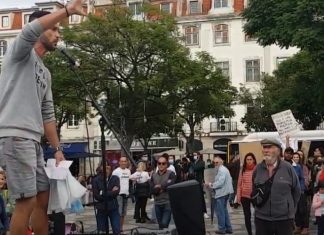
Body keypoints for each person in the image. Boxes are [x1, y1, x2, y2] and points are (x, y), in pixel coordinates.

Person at [0, 2, 85, 234]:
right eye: (54, 29)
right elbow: (29, 31)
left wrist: (57, 149)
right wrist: (67, 11)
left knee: (42, 199)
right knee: (25, 200)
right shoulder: (19, 53)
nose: (58, 35)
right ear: (40, 29)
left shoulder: (45, 72)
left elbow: (48, 114)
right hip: (15, 135)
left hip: (34, 141)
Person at [253, 138, 301, 235]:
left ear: (278, 150)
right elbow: (254, 190)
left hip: (284, 219)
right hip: (262, 219)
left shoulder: (288, 168)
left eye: (269, 147)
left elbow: (297, 191)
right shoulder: (258, 168)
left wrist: (289, 210)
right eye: (264, 147)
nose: (266, 150)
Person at [206, 156, 233, 234]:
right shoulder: (223, 169)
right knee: (224, 211)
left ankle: (222, 229)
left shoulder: (221, 170)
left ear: (221, 162)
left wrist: (210, 184)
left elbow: (220, 182)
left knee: (220, 212)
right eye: (214, 162)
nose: (215, 164)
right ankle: (228, 228)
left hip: (222, 193)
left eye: (216, 162)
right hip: (225, 192)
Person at [92, 164, 120, 235]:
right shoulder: (96, 180)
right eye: (105, 167)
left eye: (108, 167)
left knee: (116, 229)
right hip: (101, 207)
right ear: (101, 168)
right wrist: (110, 192)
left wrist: (103, 193)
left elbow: (116, 192)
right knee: (102, 230)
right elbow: (96, 196)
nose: (106, 169)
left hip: (113, 207)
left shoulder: (115, 178)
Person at [150, 154, 176, 229]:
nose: (161, 165)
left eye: (163, 163)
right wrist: (160, 189)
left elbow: (171, 184)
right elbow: (151, 189)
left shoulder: (171, 174)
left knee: (164, 224)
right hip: (157, 203)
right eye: (159, 163)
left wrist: (160, 186)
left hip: (167, 202)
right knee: (160, 225)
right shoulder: (154, 175)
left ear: (166, 164)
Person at [236, 152, 257, 235]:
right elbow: (239, 184)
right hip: (244, 196)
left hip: (255, 196)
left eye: (250, 159)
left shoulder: (257, 169)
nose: (249, 161)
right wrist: (238, 196)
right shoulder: (243, 169)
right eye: (247, 159)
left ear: (254, 160)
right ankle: (250, 233)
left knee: (258, 215)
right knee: (247, 216)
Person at [112, 156, 131, 233]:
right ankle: (117, 229)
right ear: (119, 162)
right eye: (122, 161)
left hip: (126, 194)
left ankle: (121, 229)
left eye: (125, 161)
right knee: (118, 213)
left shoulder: (128, 171)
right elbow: (112, 182)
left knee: (123, 214)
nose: (123, 163)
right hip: (118, 195)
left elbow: (129, 181)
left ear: (127, 162)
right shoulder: (116, 171)